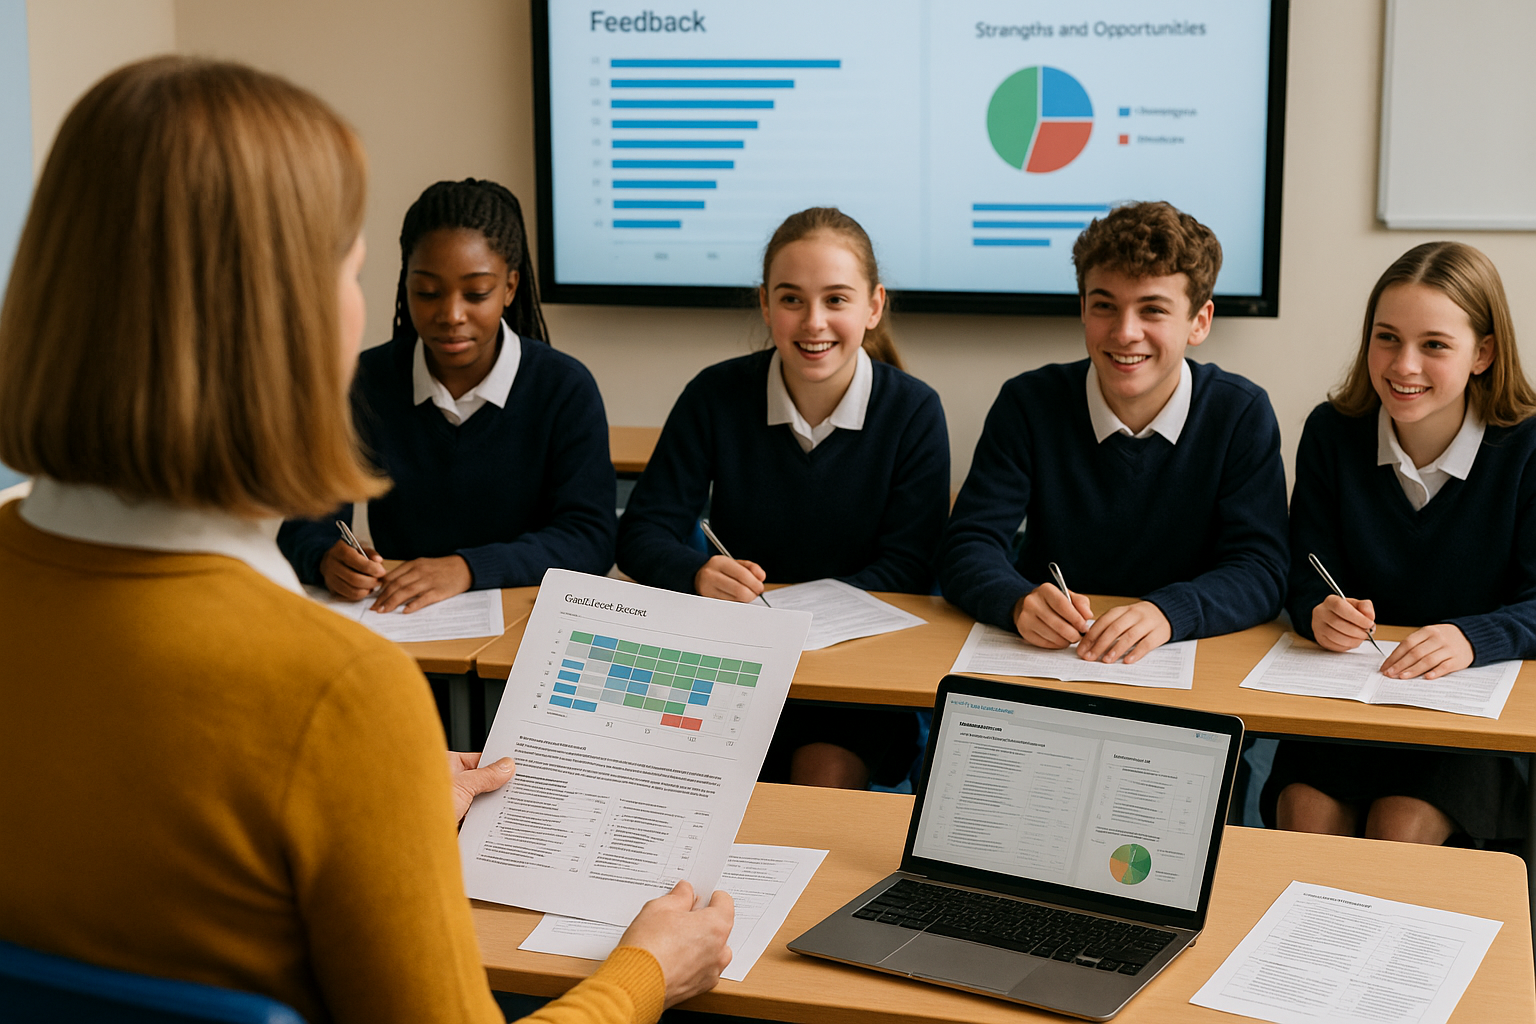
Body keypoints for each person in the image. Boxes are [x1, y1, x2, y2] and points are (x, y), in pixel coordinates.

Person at [0, 57, 730, 1024]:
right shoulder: (341, 696)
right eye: (354, 272)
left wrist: (377, 800)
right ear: (283, 323)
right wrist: (645, 972)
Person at [617, 207, 950, 789]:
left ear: (873, 306)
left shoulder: (914, 410)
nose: (813, 321)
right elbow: (641, 532)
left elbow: (910, 567)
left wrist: (792, 615)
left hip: (854, 672)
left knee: (816, 783)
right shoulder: (716, 394)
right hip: (735, 662)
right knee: (668, 784)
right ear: (766, 305)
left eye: (836, 299)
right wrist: (697, 572)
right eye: (792, 299)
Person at [1264, 241, 1536, 846]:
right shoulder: (1332, 433)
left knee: (1400, 827)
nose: (1403, 365)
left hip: (1460, 714)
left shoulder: (1527, 449)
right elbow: (1305, 571)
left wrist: (1473, 637)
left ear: (1483, 353)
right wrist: (1318, 610)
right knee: (1306, 818)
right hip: (1346, 701)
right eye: (1386, 338)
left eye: (1434, 345)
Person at [939, 201, 1288, 662]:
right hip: (1052, 656)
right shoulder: (1028, 403)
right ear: (1084, 308)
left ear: (1199, 322)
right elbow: (968, 545)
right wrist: (1017, 602)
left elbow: (1262, 569)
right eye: (1105, 305)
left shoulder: (1240, 413)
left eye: (1153, 310)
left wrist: (1169, 612)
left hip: (1185, 659)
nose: (1125, 333)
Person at [279, 178, 616, 613]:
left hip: (521, 621)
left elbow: (591, 539)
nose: (451, 314)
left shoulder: (564, 388)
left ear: (510, 287)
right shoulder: (366, 382)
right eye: (427, 293)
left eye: (476, 294)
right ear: (406, 286)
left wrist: (468, 568)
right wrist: (326, 559)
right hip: (403, 621)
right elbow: (303, 523)